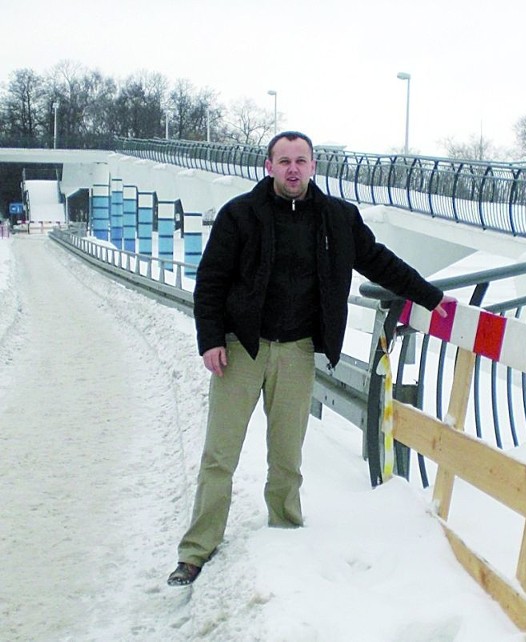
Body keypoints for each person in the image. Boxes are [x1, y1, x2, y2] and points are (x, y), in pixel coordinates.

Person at [167, 131, 453, 586]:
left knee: (287, 455)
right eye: (284, 161)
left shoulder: (337, 218)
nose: (293, 168)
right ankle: (197, 549)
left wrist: (429, 294)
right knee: (219, 455)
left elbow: (378, 261)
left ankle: (285, 533)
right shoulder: (240, 214)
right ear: (269, 166)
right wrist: (210, 340)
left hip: (298, 350)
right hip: (241, 347)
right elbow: (212, 280)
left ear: (314, 166)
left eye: (301, 160)